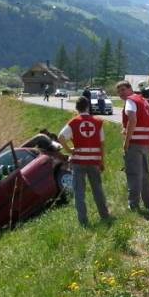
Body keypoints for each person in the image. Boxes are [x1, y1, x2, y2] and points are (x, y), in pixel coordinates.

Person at [58, 96, 110, 226]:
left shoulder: (74, 122)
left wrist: (69, 150)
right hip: (94, 161)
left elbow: (60, 137)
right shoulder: (98, 122)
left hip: (78, 162)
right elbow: (102, 144)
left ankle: (83, 222)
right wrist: (101, 161)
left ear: (76, 108)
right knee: (97, 189)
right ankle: (104, 215)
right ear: (88, 107)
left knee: (79, 192)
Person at [117, 80, 149, 211]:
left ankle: (133, 205)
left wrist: (127, 141)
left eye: (122, 90)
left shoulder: (130, 100)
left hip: (135, 143)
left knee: (133, 174)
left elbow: (132, 119)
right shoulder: (143, 100)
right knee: (145, 174)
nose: (120, 93)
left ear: (129, 89)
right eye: (118, 91)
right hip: (146, 143)